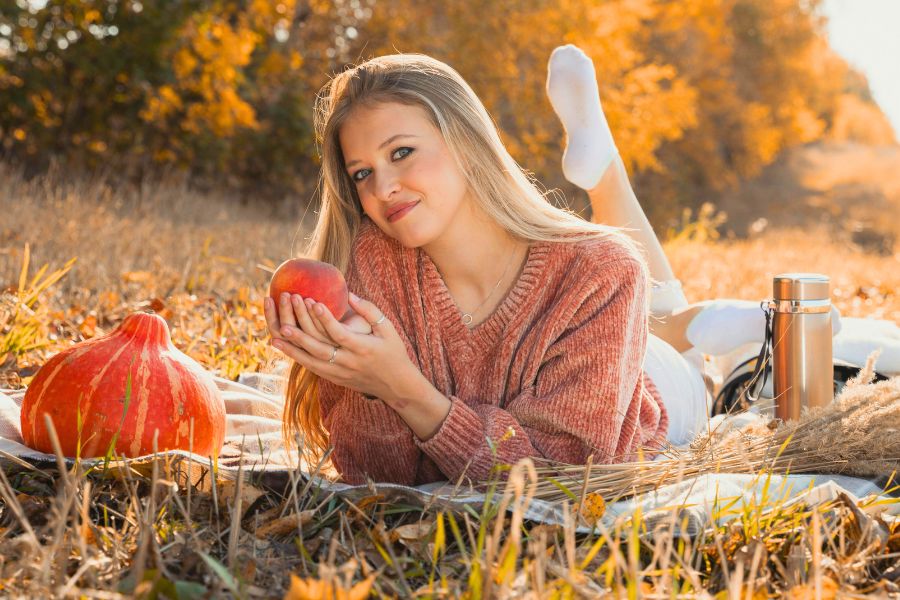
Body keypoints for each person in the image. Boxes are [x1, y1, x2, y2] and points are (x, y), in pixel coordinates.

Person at [263, 45, 710, 487]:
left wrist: (405, 389)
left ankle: (612, 177)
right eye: (362, 173)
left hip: (659, 386)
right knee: (654, 308)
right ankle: (608, 179)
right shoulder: (367, 266)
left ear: (465, 140)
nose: (383, 187)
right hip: (596, 344)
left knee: (698, 362)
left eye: (401, 153)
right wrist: (368, 383)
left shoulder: (602, 271)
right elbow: (378, 479)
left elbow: (567, 477)